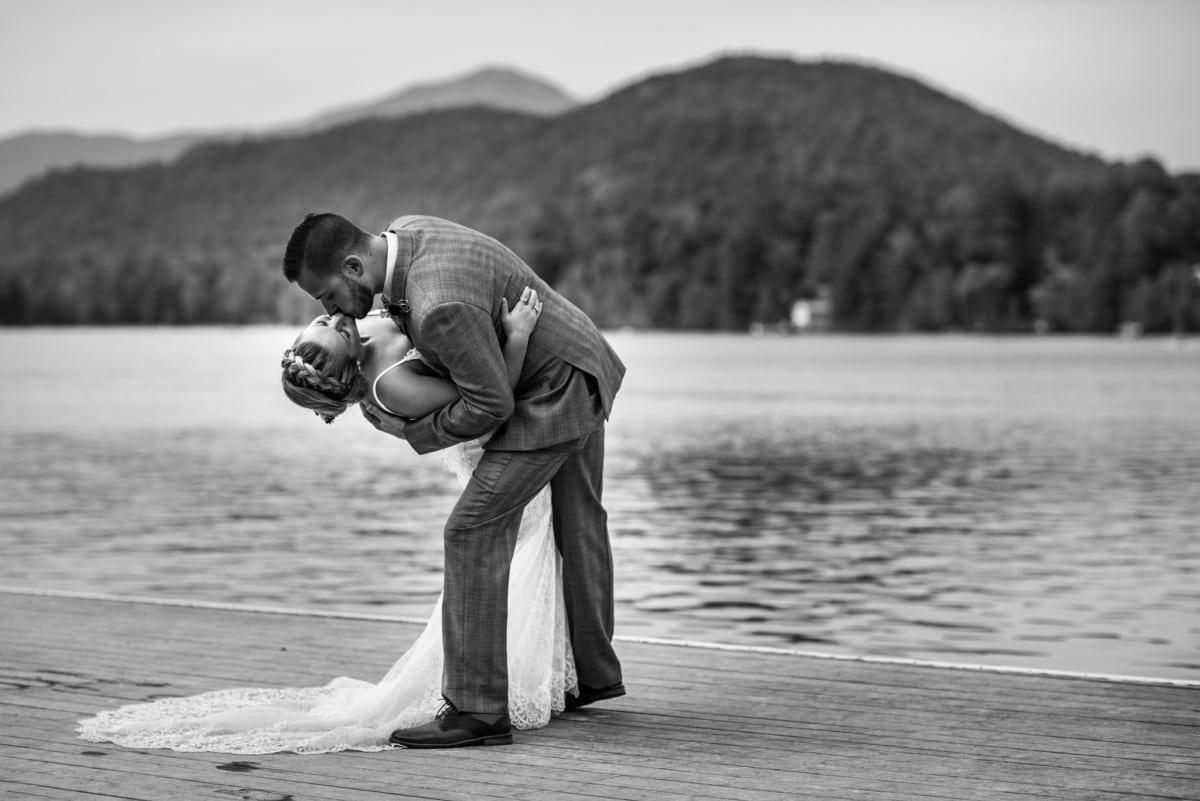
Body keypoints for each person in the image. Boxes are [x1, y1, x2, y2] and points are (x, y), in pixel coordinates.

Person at [78, 292, 570, 752]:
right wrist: (519, 336)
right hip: (494, 450)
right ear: (352, 356)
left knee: (535, 557)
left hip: (525, 432)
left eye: (325, 320)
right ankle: (495, 690)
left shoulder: (367, 324)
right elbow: (488, 402)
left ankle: (541, 673)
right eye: (334, 327)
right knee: (517, 558)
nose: (335, 316)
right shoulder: (391, 382)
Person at [283, 212, 626, 748]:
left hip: (551, 392)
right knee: (578, 521)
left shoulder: (437, 304)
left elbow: (490, 404)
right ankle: (595, 676)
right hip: (580, 360)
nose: (329, 310)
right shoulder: (410, 229)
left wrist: (417, 432)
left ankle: (477, 710)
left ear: (353, 266)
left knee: (470, 532)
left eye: (327, 296)